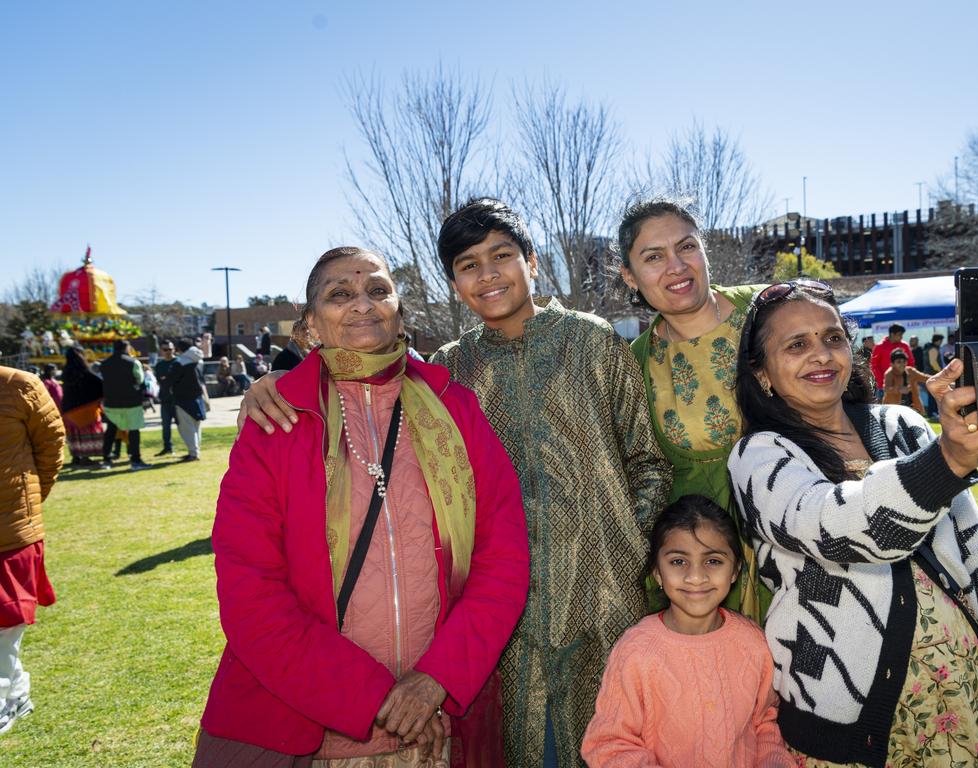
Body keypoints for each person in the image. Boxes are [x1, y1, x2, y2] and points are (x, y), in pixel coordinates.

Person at [240, 200, 671, 768]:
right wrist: (271, 382)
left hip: (602, 600)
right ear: (453, 284)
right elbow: (359, 367)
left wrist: (620, 550)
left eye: (502, 256)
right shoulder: (450, 371)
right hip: (495, 625)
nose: (489, 274)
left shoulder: (591, 343)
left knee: (613, 743)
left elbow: (648, 461)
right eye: (469, 265)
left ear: (533, 262)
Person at [193, 247, 528, 767]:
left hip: (435, 726)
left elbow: (502, 560)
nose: (361, 304)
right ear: (308, 325)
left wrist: (433, 682)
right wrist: (373, 699)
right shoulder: (276, 421)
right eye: (340, 294)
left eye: (377, 290)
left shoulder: (455, 408)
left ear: (400, 312)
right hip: (310, 732)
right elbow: (251, 593)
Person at [728, 279, 978, 767]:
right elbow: (841, 525)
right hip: (843, 727)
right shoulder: (759, 458)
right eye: (796, 344)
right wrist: (947, 459)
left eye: (832, 337)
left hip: (962, 705)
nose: (821, 355)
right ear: (761, 373)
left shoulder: (903, 427)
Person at [617, 195, 769, 621]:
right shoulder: (633, 364)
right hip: (707, 570)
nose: (676, 266)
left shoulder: (770, 309)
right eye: (653, 257)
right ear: (630, 276)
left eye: (686, 246)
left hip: (807, 536)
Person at [581, 496, 793, 768]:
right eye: (679, 562)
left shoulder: (753, 643)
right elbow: (609, 744)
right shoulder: (637, 652)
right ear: (657, 572)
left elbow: (764, 722)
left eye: (713, 561)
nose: (696, 577)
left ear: (734, 570)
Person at [0, 366, 64, 734]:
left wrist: (28, 502)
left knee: (4, 622)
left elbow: (52, 446)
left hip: (10, 529)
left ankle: (10, 695)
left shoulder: (20, 385)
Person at [98, 341, 150, 470]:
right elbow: (140, 380)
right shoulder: (133, 362)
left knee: (111, 430)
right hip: (132, 402)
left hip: (111, 403)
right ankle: (135, 460)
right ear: (127, 348)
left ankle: (106, 458)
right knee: (134, 430)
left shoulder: (104, 364)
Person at [59, 347, 105, 467]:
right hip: (85, 409)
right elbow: (99, 384)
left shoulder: (65, 372)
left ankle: (76, 457)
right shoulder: (85, 371)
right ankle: (85, 458)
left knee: (74, 434)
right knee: (86, 433)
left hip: (68, 409)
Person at [167, 347, 207, 462]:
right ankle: (195, 451)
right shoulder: (199, 361)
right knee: (196, 427)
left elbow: (171, 380)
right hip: (197, 399)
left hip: (183, 399)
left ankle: (193, 453)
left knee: (187, 428)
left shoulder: (180, 363)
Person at [869, 323, 911, 398]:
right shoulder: (880, 346)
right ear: (892, 334)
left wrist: (908, 380)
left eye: (902, 335)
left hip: (902, 386)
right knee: (884, 408)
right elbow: (874, 366)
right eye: (899, 334)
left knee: (904, 408)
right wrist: (882, 382)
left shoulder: (904, 346)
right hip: (884, 387)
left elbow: (910, 363)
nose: (901, 337)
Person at [881, 348, 929, 414]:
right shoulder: (889, 373)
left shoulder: (911, 371)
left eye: (904, 361)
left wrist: (943, 379)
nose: (902, 364)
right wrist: (899, 389)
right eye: (899, 362)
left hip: (912, 406)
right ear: (892, 364)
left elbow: (926, 378)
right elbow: (886, 388)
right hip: (893, 408)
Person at [153, 341, 178, 456]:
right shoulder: (159, 365)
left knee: (183, 425)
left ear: (174, 350)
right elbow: (160, 380)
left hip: (179, 400)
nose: (168, 352)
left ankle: (191, 449)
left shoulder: (178, 363)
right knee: (165, 425)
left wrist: (166, 378)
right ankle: (167, 447)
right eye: (165, 350)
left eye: (170, 349)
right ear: (161, 351)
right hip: (165, 399)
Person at [921, 333, 944, 417]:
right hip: (932, 374)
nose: (941, 343)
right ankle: (932, 412)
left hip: (930, 374)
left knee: (931, 394)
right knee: (932, 394)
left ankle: (932, 412)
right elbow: (933, 362)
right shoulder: (933, 349)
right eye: (941, 341)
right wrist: (941, 371)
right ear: (938, 340)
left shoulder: (929, 347)